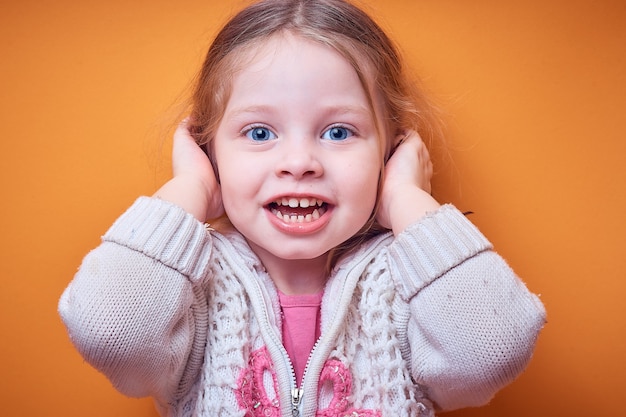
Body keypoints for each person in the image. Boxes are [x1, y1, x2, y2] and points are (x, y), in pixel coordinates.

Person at [58, 0, 546, 416]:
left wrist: (406, 201)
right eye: (259, 133)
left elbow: (492, 352)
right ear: (211, 153)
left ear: (390, 153)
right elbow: (109, 333)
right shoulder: (188, 288)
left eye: (338, 132)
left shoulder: (408, 286)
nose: (299, 163)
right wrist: (187, 190)